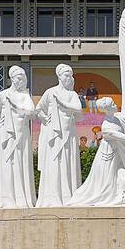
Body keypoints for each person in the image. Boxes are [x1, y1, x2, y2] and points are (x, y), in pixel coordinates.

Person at [36, 63, 85, 207]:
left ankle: (68, 195)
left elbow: (77, 107)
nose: (69, 78)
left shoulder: (72, 94)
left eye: (71, 75)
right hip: (53, 133)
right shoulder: (50, 92)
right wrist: (44, 118)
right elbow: (39, 109)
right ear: (59, 76)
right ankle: (52, 196)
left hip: (68, 132)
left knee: (67, 161)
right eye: (66, 75)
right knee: (54, 161)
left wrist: (62, 103)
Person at [0, 66, 37, 208]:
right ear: (12, 79)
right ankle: (5, 198)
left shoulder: (25, 96)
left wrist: (17, 108)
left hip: (21, 133)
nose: (21, 81)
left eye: (23, 78)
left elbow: (32, 112)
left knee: (20, 162)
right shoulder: (3, 95)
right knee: (7, 163)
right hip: (6, 133)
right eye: (18, 78)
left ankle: (22, 198)